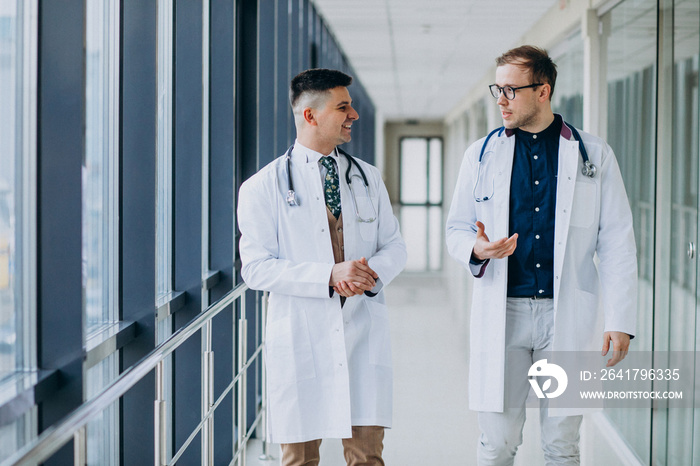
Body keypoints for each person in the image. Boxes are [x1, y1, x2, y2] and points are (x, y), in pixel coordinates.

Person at [445, 45, 637, 465]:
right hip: (504, 311)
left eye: (511, 90)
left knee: (562, 444)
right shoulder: (480, 154)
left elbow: (618, 240)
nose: (501, 99)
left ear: (543, 90)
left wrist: (620, 321)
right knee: (497, 442)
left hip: (566, 313)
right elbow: (456, 228)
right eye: (498, 89)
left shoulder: (594, 154)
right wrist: (477, 249)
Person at [237, 68, 406, 466]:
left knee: (367, 457)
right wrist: (329, 276)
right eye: (343, 107)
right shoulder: (263, 187)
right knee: (299, 460)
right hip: (301, 337)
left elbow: (394, 245)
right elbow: (256, 268)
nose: (354, 116)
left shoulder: (367, 177)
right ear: (310, 116)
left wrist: (369, 275)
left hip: (362, 328)